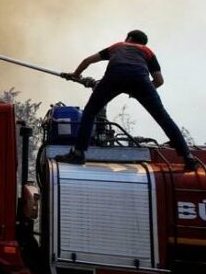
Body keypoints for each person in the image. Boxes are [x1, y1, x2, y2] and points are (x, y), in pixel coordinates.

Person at [56, 29, 200, 171]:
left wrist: (76, 75)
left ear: (129, 38)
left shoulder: (118, 46)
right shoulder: (147, 52)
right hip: (141, 82)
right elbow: (159, 80)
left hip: (114, 78)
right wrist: (141, 91)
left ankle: (78, 153)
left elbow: (88, 61)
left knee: (90, 113)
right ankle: (188, 158)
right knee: (163, 117)